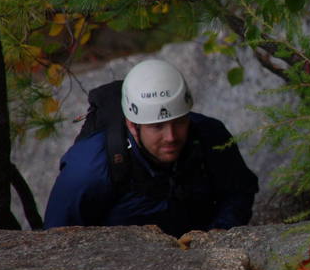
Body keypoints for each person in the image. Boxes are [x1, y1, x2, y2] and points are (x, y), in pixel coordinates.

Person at [44, 59, 258, 237]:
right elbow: (58, 237)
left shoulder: (209, 135)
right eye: (157, 127)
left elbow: (238, 191)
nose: (171, 137)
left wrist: (220, 229)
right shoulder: (89, 169)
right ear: (132, 125)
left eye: (180, 122)